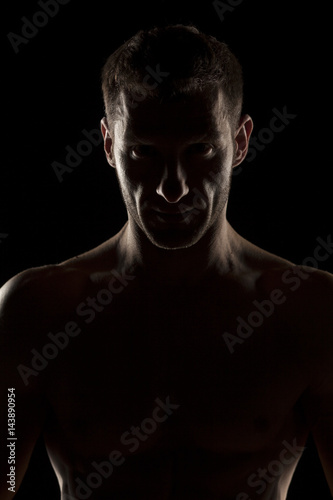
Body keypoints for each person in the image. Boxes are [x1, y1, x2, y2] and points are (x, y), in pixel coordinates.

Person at [0, 24, 332, 500]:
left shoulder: (310, 311)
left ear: (239, 143)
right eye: (143, 152)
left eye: (199, 150)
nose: (170, 187)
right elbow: (5, 474)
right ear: (108, 144)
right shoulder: (34, 311)